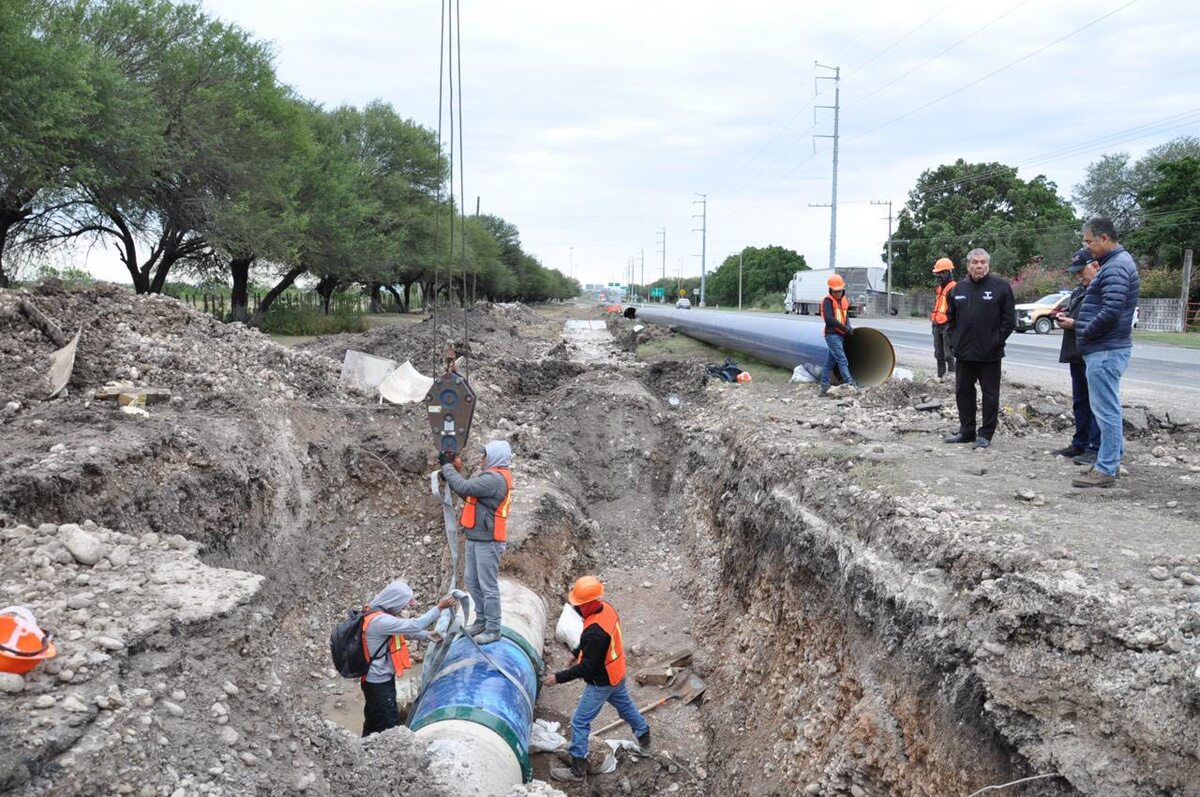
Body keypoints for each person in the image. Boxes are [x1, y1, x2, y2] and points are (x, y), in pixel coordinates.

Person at [541, 576, 649, 783]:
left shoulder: (595, 633)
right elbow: (595, 645)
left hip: (602, 681)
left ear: (590, 603)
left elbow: (587, 667)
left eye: (580, 605)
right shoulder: (606, 609)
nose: (578, 608)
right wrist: (578, 653)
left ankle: (577, 771)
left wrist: (557, 678)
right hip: (617, 672)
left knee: (579, 722)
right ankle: (645, 740)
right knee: (626, 707)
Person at [1057, 218, 1139, 488]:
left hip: (1105, 348)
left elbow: (1112, 310)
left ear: (1104, 238)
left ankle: (1106, 468)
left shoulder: (1115, 267)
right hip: (1106, 347)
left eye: (1088, 241)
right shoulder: (1115, 263)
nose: (1087, 247)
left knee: (1106, 411)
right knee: (1108, 408)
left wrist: (1085, 329)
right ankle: (1111, 459)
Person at [439, 440, 513, 644]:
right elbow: (468, 494)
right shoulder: (490, 477)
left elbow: (465, 486)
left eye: (485, 455)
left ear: (495, 457)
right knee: (471, 581)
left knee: (488, 586)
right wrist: (451, 472)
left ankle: (493, 628)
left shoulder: (495, 479)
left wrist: (447, 467)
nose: (482, 459)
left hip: (488, 541)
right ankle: (481, 621)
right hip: (476, 538)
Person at [361, 580, 457, 737]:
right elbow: (413, 625)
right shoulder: (380, 620)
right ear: (395, 601)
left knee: (373, 720)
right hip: (378, 683)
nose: (403, 609)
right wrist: (439, 608)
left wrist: (426, 635)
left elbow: (400, 632)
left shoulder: (375, 613)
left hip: (373, 680)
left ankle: (364, 746)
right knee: (389, 725)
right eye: (403, 605)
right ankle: (388, 751)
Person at [943, 248, 1014, 449]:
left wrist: (996, 342)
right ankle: (967, 431)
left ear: (988, 265)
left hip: (990, 354)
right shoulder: (958, 290)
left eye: (983, 262)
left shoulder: (1001, 287)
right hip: (964, 353)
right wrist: (954, 342)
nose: (979, 266)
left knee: (990, 395)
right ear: (968, 266)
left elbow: (1009, 320)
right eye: (975, 262)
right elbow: (950, 320)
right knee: (963, 392)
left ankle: (985, 434)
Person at [1051, 250, 1101, 464]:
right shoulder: (1078, 292)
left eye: (1081, 271)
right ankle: (1080, 443)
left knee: (1097, 404)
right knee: (1080, 402)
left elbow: (1102, 323)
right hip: (1076, 353)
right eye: (1075, 273)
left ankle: (1095, 448)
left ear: (1095, 266)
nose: (1078, 276)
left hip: (1095, 354)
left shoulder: (1102, 291)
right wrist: (1064, 317)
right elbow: (1076, 315)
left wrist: (1074, 324)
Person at [818, 274, 859, 397]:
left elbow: (845, 316)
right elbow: (829, 319)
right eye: (835, 291)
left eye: (840, 291)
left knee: (829, 363)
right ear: (830, 290)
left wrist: (849, 327)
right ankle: (850, 383)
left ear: (843, 290)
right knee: (842, 359)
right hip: (832, 335)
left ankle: (824, 387)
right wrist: (844, 329)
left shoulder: (844, 300)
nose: (838, 293)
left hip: (840, 335)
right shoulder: (828, 301)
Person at [930, 257, 958, 379]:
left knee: (948, 354)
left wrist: (953, 325)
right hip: (937, 324)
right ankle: (940, 376)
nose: (938, 277)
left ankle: (952, 377)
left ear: (947, 272)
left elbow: (957, 310)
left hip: (948, 326)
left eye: (940, 273)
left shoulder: (954, 288)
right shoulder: (939, 288)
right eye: (937, 274)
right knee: (938, 353)